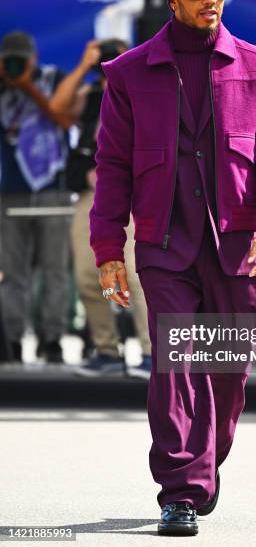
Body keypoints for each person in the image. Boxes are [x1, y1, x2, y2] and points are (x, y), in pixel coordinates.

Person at [89, 0, 256, 537]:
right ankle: (180, 490)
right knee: (176, 363)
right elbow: (112, 166)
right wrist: (109, 248)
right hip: (163, 245)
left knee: (227, 373)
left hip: (238, 244)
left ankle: (205, 459)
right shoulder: (128, 74)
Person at [49, 39, 152, 378]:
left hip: (135, 194)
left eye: (118, 62)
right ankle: (105, 349)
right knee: (87, 275)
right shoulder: (93, 96)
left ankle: (154, 353)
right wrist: (83, 67)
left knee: (137, 273)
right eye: (105, 64)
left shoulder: (148, 92)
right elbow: (58, 108)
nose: (111, 70)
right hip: (93, 195)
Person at [0, 31, 71, 364]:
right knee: (13, 272)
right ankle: (11, 340)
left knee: (54, 269)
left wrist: (28, 86)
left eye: (21, 59)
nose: (15, 65)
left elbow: (64, 117)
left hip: (52, 188)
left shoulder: (51, 77)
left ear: (33, 58)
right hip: (9, 191)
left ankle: (52, 338)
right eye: (9, 59)